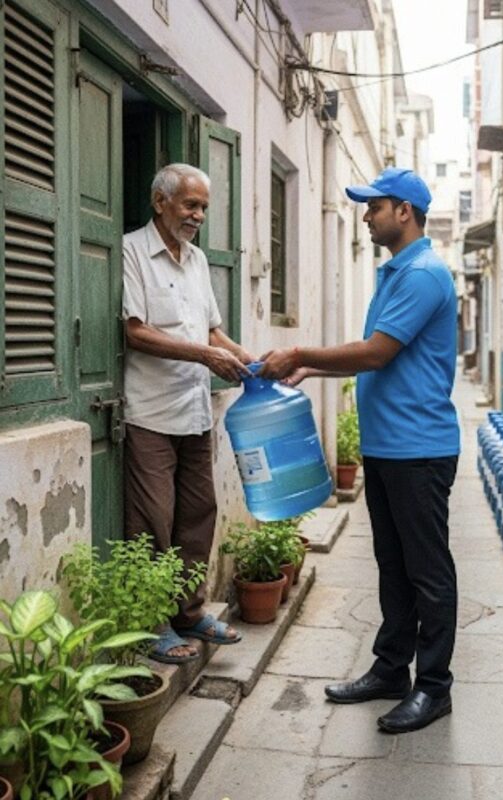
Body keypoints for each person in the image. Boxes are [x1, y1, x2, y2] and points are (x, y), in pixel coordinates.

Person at [259, 167, 460, 733]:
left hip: (419, 449)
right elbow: (380, 356)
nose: (366, 215)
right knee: (393, 566)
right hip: (391, 447)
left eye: (374, 206)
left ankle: (435, 686)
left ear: (404, 211)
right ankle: (392, 669)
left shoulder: (422, 274)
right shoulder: (395, 273)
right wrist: (307, 366)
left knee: (428, 571)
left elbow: (376, 354)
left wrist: (301, 352)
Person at [123, 163, 253, 663]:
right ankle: (153, 624)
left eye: (203, 207)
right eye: (190, 205)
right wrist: (204, 355)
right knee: (153, 522)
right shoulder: (132, 250)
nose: (198, 215)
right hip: (151, 414)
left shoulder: (196, 260)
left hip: (196, 411)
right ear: (161, 202)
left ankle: (190, 611)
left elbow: (212, 332)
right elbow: (135, 331)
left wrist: (245, 357)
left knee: (198, 515)